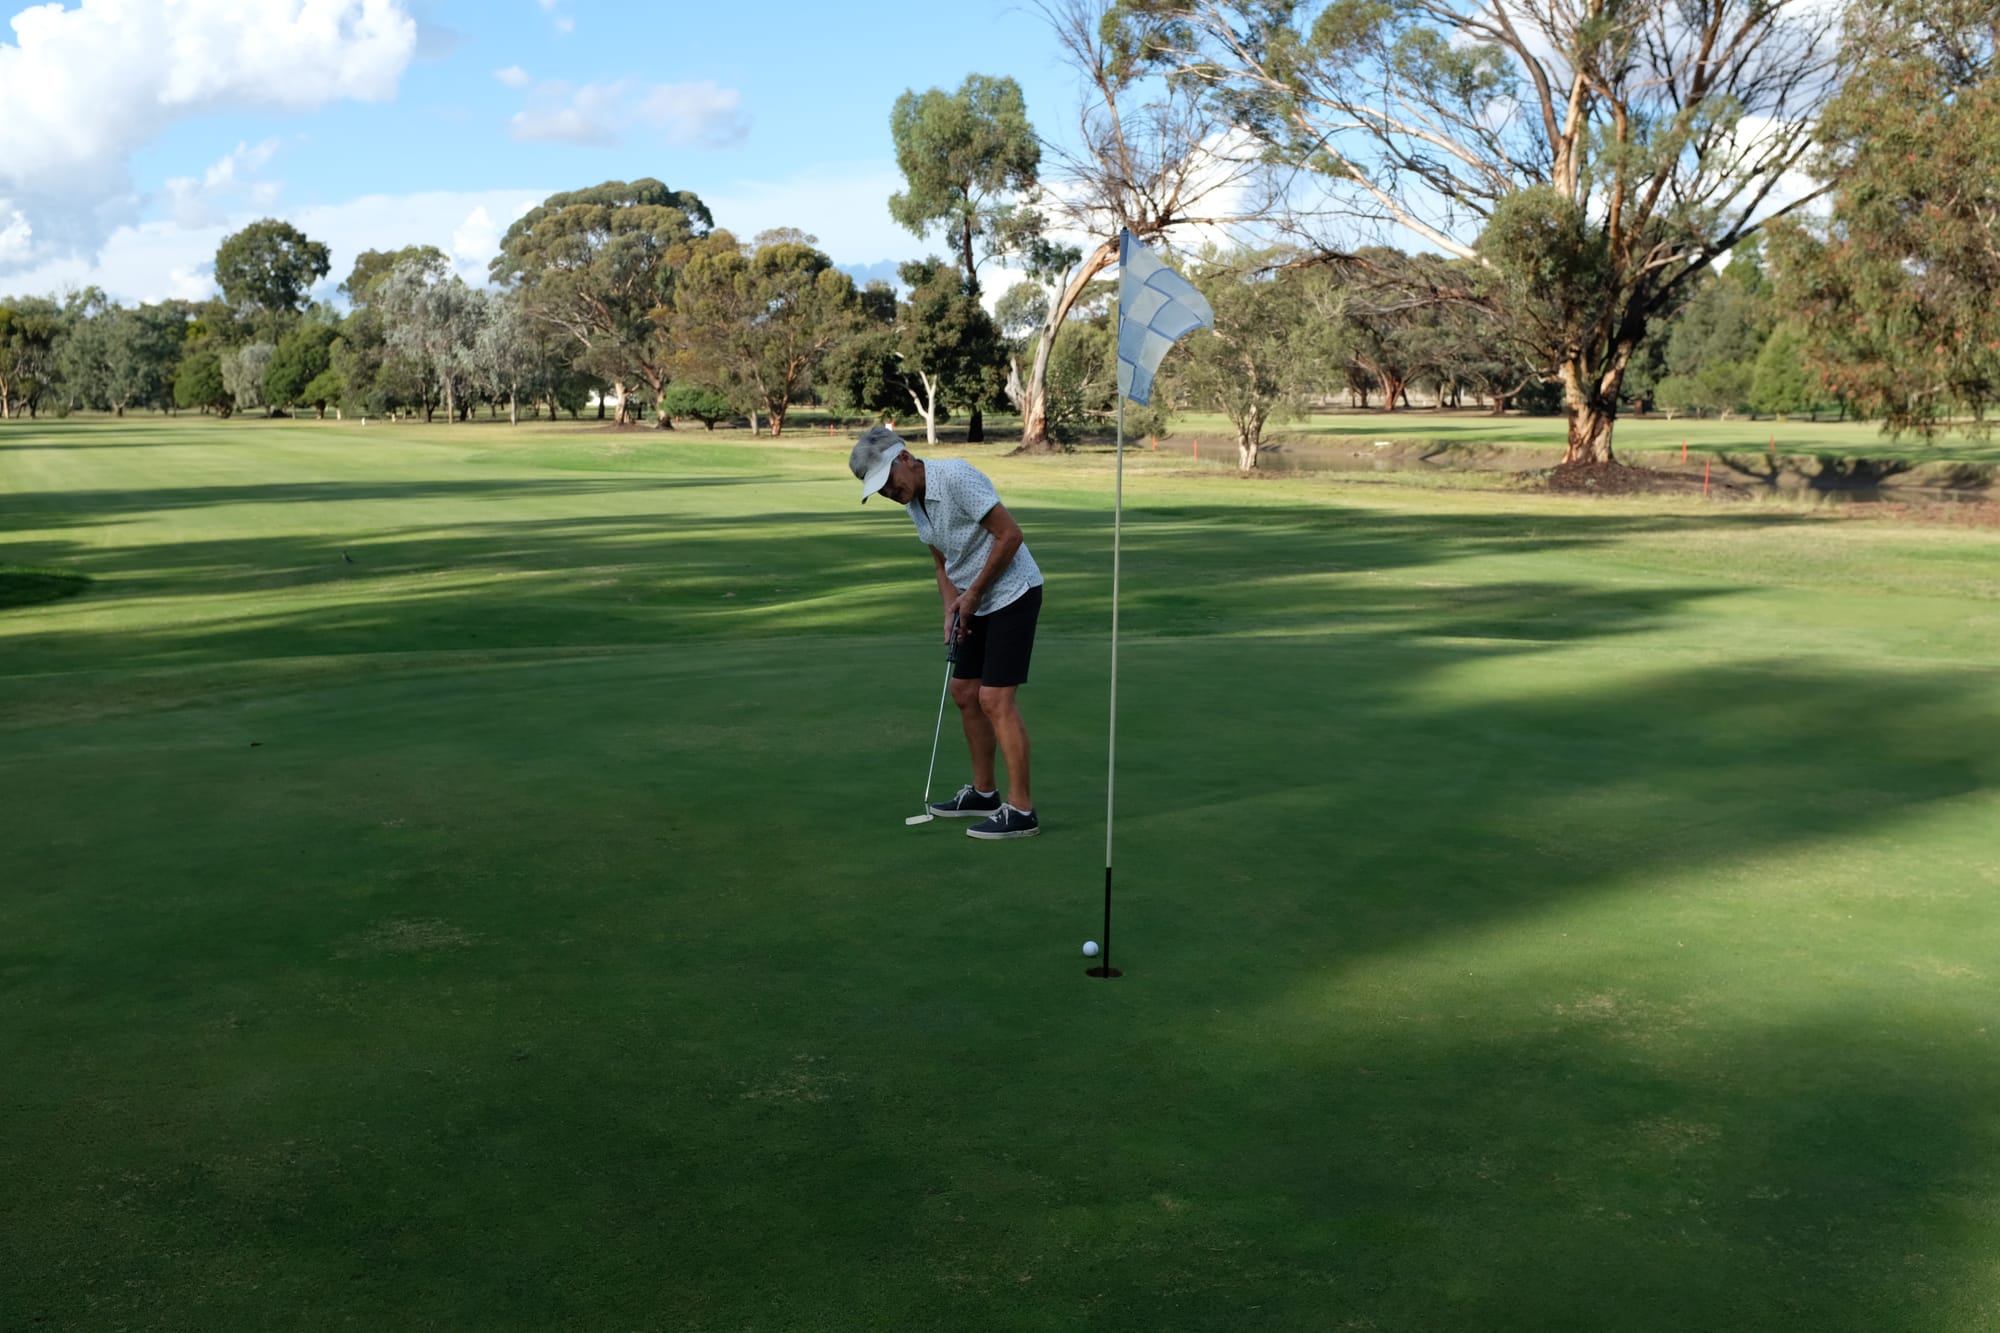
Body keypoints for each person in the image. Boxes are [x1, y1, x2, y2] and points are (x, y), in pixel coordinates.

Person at [850, 425, 1044, 839]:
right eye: (878, 490)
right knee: (963, 691)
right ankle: (983, 793)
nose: (888, 493)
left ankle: (1022, 809)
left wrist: (972, 595)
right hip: (972, 599)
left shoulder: (955, 477)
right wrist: (950, 611)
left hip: (1013, 592)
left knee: (994, 698)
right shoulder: (913, 503)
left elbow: (1011, 535)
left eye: (888, 482)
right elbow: (942, 563)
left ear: (904, 459)